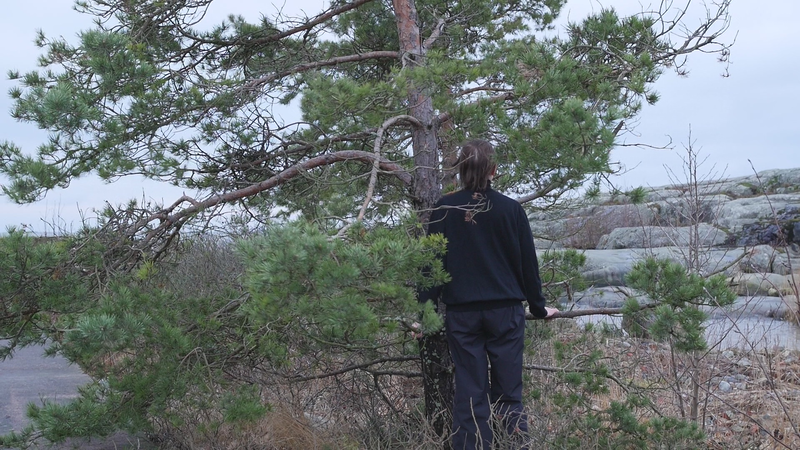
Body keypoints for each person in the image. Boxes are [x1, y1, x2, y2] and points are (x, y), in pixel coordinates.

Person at [418, 139, 558, 450]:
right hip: (505, 314)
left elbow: (431, 267)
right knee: (509, 395)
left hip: (462, 316)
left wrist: (423, 315)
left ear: (460, 170)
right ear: (494, 170)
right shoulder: (511, 209)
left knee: (470, 394)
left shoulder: (444, 209)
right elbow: (528, 266)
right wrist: (538, 308)